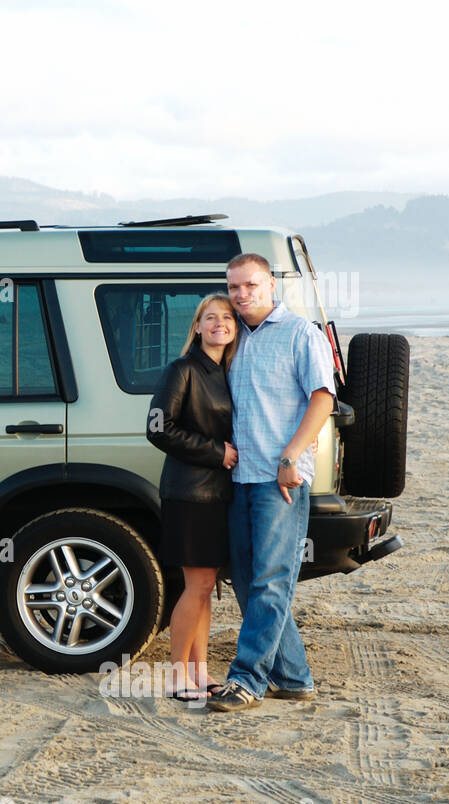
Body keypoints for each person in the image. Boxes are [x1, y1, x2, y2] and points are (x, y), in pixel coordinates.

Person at [208, 253, 336, 712]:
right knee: (247, 581)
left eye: (251, 286)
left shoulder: (302, 334)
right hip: (237, 479)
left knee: (270, 580)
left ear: (270, 286)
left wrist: (291, 456)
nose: (242, 294)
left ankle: (247, 679)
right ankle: (295, 677)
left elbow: (323, 400)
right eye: (234, 287)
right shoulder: (234, 337)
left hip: (279, 480)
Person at [146, 293, 239, 702]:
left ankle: (200, 675)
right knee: (196, 587)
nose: (220, 323)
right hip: (190, 494)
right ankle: (176, 676)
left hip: (219, 495)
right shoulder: (182, 369)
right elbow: (157, 427)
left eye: (228, 317)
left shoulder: (230, 372)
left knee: (204, 588)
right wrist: (217, 452)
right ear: (197, 327)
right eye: (211, 317)